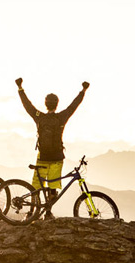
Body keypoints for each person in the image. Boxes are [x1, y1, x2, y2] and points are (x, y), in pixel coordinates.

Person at [16, 78, 87, 208]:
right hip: (57, 157)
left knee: (37, 187)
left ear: (46, 104)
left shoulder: (39, 117)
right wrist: (83, 90)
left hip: (42, 156)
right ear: (57, 104)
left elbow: (27, 105)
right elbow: (73, 106)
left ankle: (32, 212)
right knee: (52, 187)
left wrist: (20, 88)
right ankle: (48, 213)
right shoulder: (61, 117)